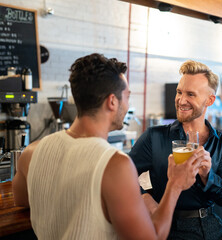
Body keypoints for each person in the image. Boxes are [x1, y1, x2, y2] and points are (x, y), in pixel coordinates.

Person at [12, 53, 203, 240]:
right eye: (127, 96)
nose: (128, 104)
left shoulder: (31, 153)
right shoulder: (115, 165)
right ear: (112, 101)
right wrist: (175, 185)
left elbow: (21, 199)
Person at [129, 60, 222, 240]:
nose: (181, 100)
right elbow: (124, 173)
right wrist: (144, 196)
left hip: (211, 225)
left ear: (210, 100)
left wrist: (208, 175)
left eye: (190, 94)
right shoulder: (154, 137)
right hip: (171, 227)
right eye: (179, 92)